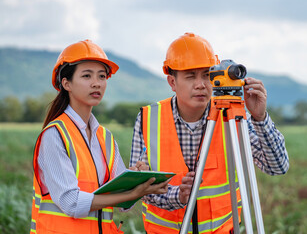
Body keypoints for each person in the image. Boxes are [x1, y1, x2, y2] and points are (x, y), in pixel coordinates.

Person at [130, 32, 289, 234]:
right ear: (172, 82)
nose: (201, 84)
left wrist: (259, 118)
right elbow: (140, 187)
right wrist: (177, 196)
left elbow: (277, 166)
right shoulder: (148, 119)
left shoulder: (231, 115)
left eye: (206, 75)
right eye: (190, 76)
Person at [30, 40, 170, 234]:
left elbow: (123, 204)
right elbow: (72, 203)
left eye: (102, 76)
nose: (96, 83)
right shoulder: (55, 135)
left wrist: (136, 181)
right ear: (66, 83)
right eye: (87, 76)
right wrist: (132, 193)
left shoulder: (105, 137)